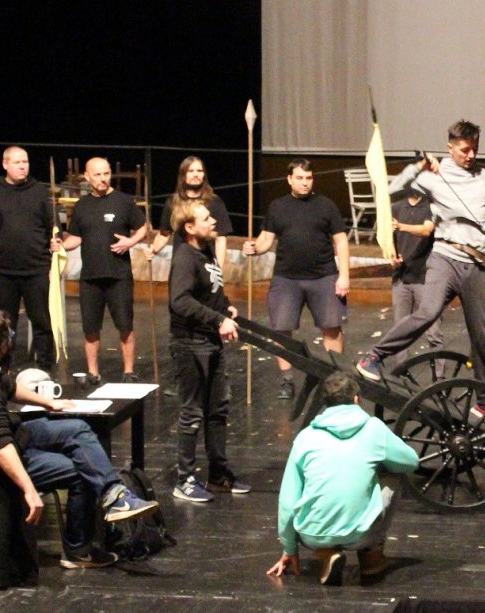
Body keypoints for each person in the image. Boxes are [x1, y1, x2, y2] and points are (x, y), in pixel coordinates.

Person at [0, 309, 160, 569]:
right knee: (81, 470)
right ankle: (79, 550)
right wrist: (29, 489)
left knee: (77, 429)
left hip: (11, 434)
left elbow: (8, 386)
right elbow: (0, 446)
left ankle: (114, 495)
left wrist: (49, 403)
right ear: (2, 346)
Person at [357, 120, 485, 389]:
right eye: (464, 150)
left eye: (475, 149)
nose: (471, 155)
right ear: (450, 148)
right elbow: (388, 191)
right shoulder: (433, 176)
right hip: (445, 257)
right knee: (427, 312)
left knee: (483, 337)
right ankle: (374, 356)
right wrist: (419, 167)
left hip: (480, 264)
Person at [266, 371, 419, 586]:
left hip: (311, 535)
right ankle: (371, 558)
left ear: (326, 403)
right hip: (359, 534)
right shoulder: (373, 429)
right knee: (394, 474)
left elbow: (288, 500)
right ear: (356, 399)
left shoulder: (305, 437)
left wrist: (289, 549)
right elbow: (410, 461)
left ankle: (327, 552)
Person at [243, 159, 350, 400]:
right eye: (300, 178)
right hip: (286, 278)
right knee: (281, 330)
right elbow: (265, 240)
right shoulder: (278, 206)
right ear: (289, 179)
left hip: (324, 276)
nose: (305, 182)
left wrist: (344, 275)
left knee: (332, 328)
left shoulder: (326, 205)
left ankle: (335, 380)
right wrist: (254, 248)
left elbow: (341, 240)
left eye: (308, 178)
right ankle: (287, 380)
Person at [168, 199, 249, 502]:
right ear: (190, 227)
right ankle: (184, 479)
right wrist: (217, 319)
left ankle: (218, 475)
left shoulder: (207, 250)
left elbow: (210, 289)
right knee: (192, 412)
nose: (214, 221)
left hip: (210, 340)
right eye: (206, 218)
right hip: (190, 343)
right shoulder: (185, 257)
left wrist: (224, 306)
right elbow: (180, 300)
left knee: (217, 410)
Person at [145, 156, 234, 398]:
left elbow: (221, 238)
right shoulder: (174, 202)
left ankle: (216, 375)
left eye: (200, 170)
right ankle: (184, 376)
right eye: (191, 171)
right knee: (183, 315)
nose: (196, 175)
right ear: (183, 174)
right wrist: (154, 249)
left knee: (211, 315)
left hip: (207, 267)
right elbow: (164, 233)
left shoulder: (213, 202)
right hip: (185, 268)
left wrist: (218, 269)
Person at [58, 157, 147, 384]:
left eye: (106, 174)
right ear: (87, 177)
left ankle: (128, 371)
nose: (103, 179)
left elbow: (143, 227)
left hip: (118, 276)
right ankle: (93, 372)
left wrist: (130, 241)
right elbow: (76, 237)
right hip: (90, 277)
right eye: (98, 175)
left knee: (125, 325)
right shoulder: (82, 205)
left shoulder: (123, 201)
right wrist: (60, 246)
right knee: (90, 328)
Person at [0, 146, 56, 372]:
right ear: (5, 164)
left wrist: (56, 243)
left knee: (41, 321)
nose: (23, 166)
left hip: (36, 268)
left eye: (25, 162)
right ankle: (3, 367)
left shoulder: (39, 191)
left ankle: (45, 368)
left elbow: (52, 225)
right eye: (17, 162)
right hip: (3, 270)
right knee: (4, 324)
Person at [388, 187, 447, 375]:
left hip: (426, 278)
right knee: (400, 330)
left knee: (433, 331)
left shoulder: (432, 207)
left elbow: (426, 230)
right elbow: (389, 240)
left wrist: (401, 226)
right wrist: (392, 257)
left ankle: (439, 377)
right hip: (402, 276)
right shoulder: (396, 207)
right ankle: (401, 373)